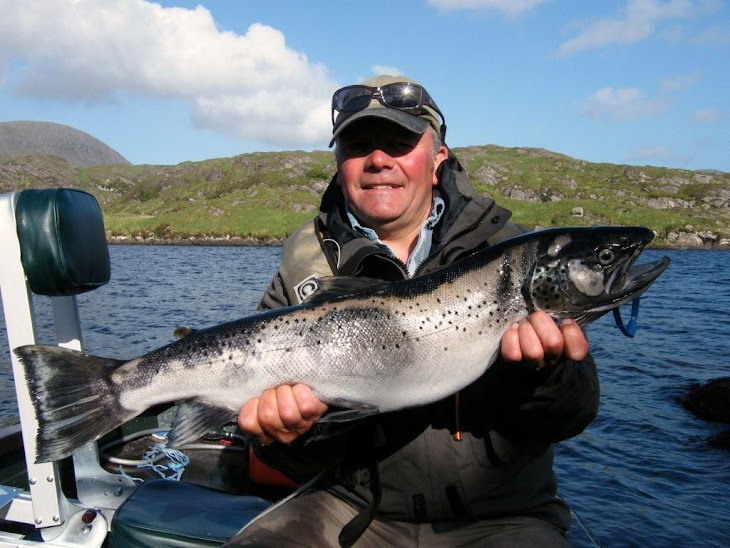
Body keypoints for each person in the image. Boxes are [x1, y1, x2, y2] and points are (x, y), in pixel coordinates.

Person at [227, 75, 599, 547]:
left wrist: (544, 376)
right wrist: (291, 435)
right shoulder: (301, 273)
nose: (379, 160)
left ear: (438, 158)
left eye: (399, 143)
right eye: (359, 145)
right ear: (340, 162)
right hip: (347, 512)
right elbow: (289, 463)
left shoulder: (516, 259)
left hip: (504, 518)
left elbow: (571, 417)